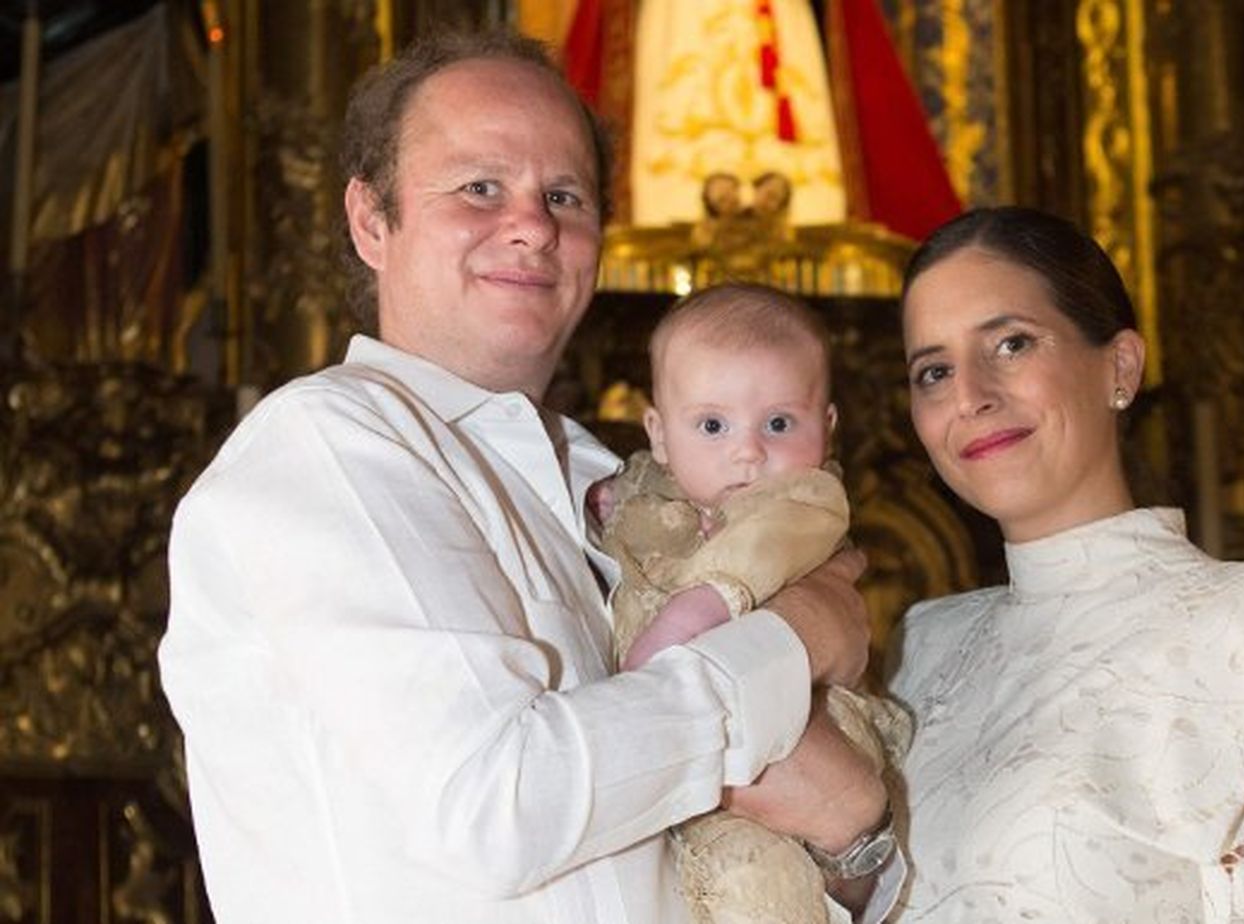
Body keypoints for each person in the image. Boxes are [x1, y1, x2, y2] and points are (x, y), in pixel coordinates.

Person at [158, 30, 894, 923]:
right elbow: (498, 809)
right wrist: (794, 639)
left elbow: (807, 834)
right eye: (479, 188)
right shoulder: (326, 448)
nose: (533, 226)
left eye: (564, 195)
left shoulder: (627, 493)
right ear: (370, 219)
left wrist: (854, 833)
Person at [886, 206, 1244, 921]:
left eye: (1010, 345)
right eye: (933, 370)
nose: (969, 396)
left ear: (1119, 366)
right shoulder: (922, 647)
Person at [598, 283, 910, 922]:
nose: (748, 451)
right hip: (695, 768)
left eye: (778, 423)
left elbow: (751, 558)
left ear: (825, 428)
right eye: (712, 425)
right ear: (658, 434)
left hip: (800, 734)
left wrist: (690, 616)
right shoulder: (655, 489)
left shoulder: (803, 503)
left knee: (753, 879)